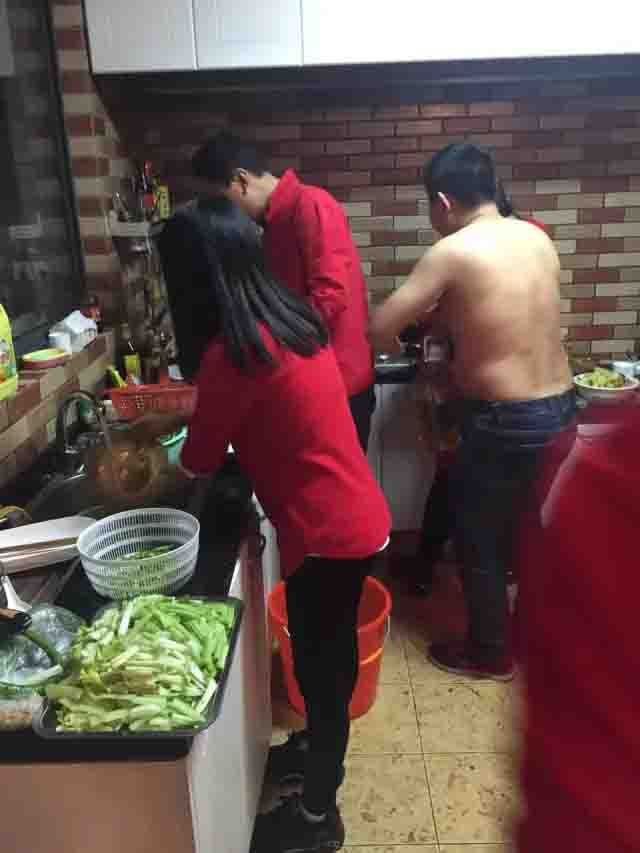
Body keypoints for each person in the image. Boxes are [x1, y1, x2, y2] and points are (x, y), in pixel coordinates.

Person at [134, 198, 390, 853]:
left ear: (194, 279)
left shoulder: (234, 355)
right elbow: (262, 414)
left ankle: (317, 818)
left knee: (324, 675)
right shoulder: (289, 325)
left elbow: (197, 459)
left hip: (325, 536)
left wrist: (153, 462)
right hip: (352, 518)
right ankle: (312, 748)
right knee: (325, 663)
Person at [369, 143, 575, 681]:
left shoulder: (454, 250)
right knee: (531, 533)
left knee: (478, 540)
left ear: (443, 201)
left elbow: (380, 327)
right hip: (561, 409)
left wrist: (419, 354)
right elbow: (503, 314)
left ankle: (490, 654)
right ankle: (534, 637)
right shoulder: (536, 237)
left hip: (503, 419)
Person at [189, 131, 376, 450]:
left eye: (222, 199)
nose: (224, 212)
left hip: (339, 385)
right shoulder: (272, 225)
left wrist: (265, 348)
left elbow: (330, 298)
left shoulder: (310, 205)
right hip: (307, 383)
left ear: (241, 181)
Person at [516, 405, 640, 852]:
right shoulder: (602, 473)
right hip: (551, 407)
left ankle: (484, 650)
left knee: (481, 550)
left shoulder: (601, 475)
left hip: (582, 820)